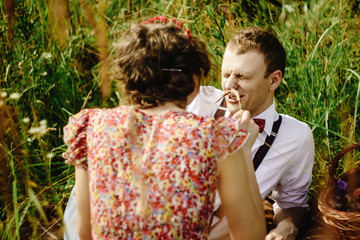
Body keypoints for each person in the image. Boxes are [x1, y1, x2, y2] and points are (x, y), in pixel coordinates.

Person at [62, 17, 266, 239]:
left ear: (128, 78)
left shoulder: (92, 127)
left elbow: (82, 231)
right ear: (194, 80)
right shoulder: (216, 137)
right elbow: (250, 236)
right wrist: (244, 150)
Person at [191, 27, 315, 240]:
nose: (229, 85)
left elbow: (292, 204)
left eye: (242, 77)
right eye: (226, 74)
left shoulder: (296, 136)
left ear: (274, 80)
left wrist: (287, 228)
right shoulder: (198, 103)